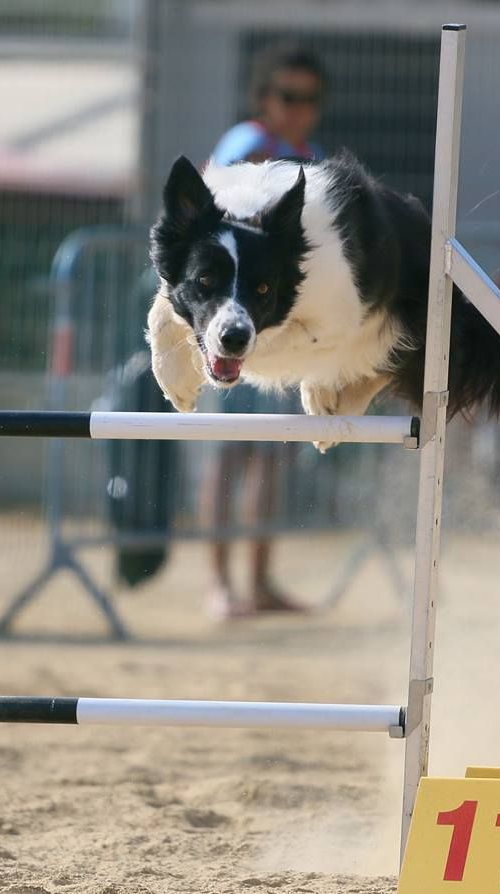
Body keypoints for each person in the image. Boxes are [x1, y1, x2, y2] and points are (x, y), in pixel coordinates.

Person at [201, 44, 326, 616]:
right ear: (264, 99)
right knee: (228, 456)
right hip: (229, 326)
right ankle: (219, 586)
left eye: (309, 99)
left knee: (271, 456)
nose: (298, 109)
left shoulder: (311, 158)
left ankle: (261, 583)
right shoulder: (245, 145)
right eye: (288, 97)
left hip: (275, 331)